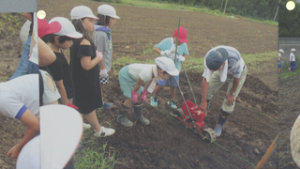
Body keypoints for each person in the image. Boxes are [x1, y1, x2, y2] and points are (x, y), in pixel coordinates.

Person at [70, 5, 115, 137]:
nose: (93, 24)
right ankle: (98, 130)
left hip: (77, 76)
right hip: (85, 78)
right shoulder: (84, 41)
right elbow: (87, 65)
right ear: (81, 21)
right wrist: (98, 57)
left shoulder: (75, 38)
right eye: (90, 21)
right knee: (89, 105)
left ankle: (77, 122)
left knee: (79, 101)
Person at [199, 46, 247, 137]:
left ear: (223, 64)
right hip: (219, 68)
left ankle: (219, 125)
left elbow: (237, 77)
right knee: (208, 91)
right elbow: (205, 80)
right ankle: (203, 113)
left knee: (229, 102)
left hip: (237, 74)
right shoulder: (210, 58)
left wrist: (232, 94)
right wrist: (203, 101)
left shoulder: (234, 59)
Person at [117, 57, 179, 127]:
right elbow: (138, 84)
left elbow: (150, 81)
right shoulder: (146, 73)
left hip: (134, 77)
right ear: (161, 72)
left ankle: (138, 116)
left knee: (140, 95)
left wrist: (144, 93)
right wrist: (134, 93)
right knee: (131, 98)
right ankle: (121, 118)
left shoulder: (156, 71)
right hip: (126, 75)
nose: (168, 78)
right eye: (168, 76)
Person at [46, 17, 82, 109]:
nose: (72, 43)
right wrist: (66, 104)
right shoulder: (55, 60)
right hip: (63, 97)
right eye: (69, 40)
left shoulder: (54, 50)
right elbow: (59, 85)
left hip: (67, 92)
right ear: (57, 38)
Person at [0, 74, 40, 159]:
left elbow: (36, 126)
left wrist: (20, 148)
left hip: (54, 107)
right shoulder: (2, 90)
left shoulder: (3, 101)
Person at [150, 27, 189, 109]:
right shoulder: (166, 42)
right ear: (173, 36)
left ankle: (171, 100)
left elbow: (186, 53)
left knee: (174, 87)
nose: (180, 43)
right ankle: (154, 97)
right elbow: (155, 48)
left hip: (176, 70)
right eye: (179, 41)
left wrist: (183, 57)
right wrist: (162, 52)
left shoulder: (183, 45)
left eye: (182, 41)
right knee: (160, 85)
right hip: (164, 70)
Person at [93, 4, 120, 110]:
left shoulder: (105, 30)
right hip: (100, 67)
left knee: (100, 85)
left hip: (103, 65)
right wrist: (103, 68)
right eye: (112, 18)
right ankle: (98, 103)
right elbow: (99, 52)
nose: (114, 21)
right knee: (99, 85)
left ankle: (98, 102)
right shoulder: (101, 33)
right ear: (105, 18)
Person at [10, 13, 34, 80]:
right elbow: (26, 13)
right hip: (31, 37)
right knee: (22, 71)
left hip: (29, 34)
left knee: (24, 71)